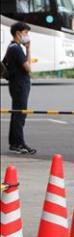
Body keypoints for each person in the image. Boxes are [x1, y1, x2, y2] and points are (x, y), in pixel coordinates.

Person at [2, 22, 36, 154]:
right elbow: (28, 67)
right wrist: (29, 49)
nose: (27, 36)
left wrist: (26, 48)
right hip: (20, 84)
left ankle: (14, 143)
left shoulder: (11, 47)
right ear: (18, 33)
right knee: (20, 114)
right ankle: (19, 143)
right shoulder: (16, 48)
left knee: (17, 113)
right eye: (26, 33)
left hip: (16, 84)